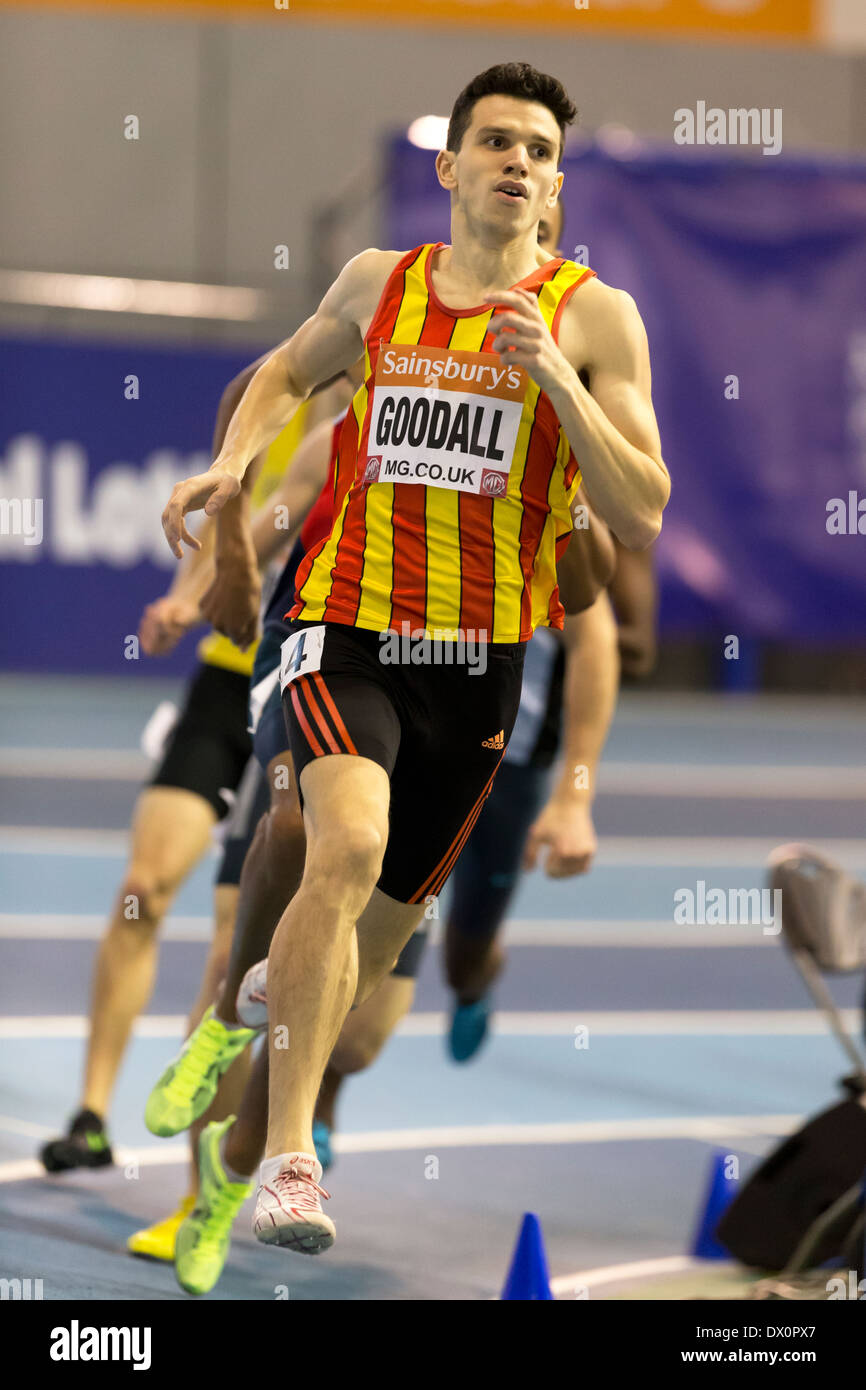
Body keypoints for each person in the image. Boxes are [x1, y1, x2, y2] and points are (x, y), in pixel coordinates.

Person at [155, 61, 669, 1256]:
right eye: (494, 142)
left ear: (554, 187)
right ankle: (290, 1158)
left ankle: (237, 1135)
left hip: (479, 663)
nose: (517, 163)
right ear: (448, 168)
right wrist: (236, 465)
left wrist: (557, 385)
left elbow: (639, 511)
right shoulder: (377, 285)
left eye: (539, 151)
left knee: (362, 966)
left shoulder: (596, 320)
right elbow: (287, 368)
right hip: (346, 624)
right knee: (343, 843)